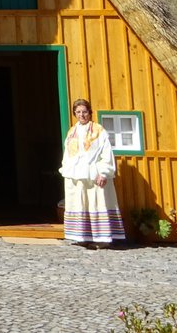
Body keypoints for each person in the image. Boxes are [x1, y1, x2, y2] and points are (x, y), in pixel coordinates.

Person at [60, 98, 125, 246]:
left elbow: (106, 152)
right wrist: (67, 171)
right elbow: (67, 154)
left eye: (84, 112)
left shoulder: (98, 130)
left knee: (97, 204)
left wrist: (104, 172)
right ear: (74, 114)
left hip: (94, 174)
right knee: (80, 205)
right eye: (78, 112)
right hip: (77, 175)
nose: (81, 115)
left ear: (90, 113)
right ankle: (82, 237)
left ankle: (101, 240)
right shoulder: (72, 132)